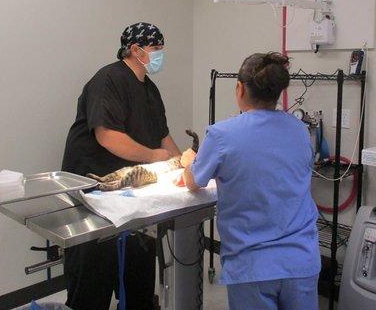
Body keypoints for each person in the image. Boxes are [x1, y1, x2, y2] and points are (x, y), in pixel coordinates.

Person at [178, 52, 321, 310]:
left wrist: (188, 161)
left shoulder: (222, 134)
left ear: (239, 88)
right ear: (277, 92)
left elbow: (194, 182)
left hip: (254, 265)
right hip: (301, 261)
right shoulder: (300, 131)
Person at [61, 22, 181, 310]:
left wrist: (183, 164)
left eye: (162, 49)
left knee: (138, 272)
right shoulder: (108, 80)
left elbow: (162, 136)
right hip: (93, 188)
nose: (160, 54)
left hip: (131, 192)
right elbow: (107, 136)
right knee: (93, 277)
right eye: (155, 49)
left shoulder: (150, 89)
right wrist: (155, 157)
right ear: (135, 50)